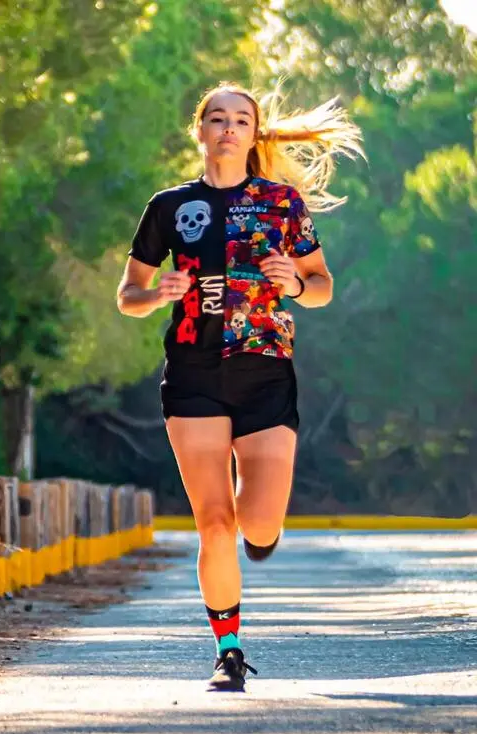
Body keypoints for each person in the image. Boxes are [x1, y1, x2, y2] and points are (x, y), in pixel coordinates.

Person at [116, 82, 364, 691]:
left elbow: (323, 283)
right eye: (217, 118)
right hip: (194, 375)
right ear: (199, 130)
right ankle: (228, 650)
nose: (228, 128)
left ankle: (266, 530)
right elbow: (129, 297)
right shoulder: (169, 207)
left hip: (264, 371)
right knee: (215, 525)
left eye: (241, 120)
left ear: (254, 135)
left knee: (254, 524)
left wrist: (296, 284)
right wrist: (159, 294)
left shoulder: (282, 203)